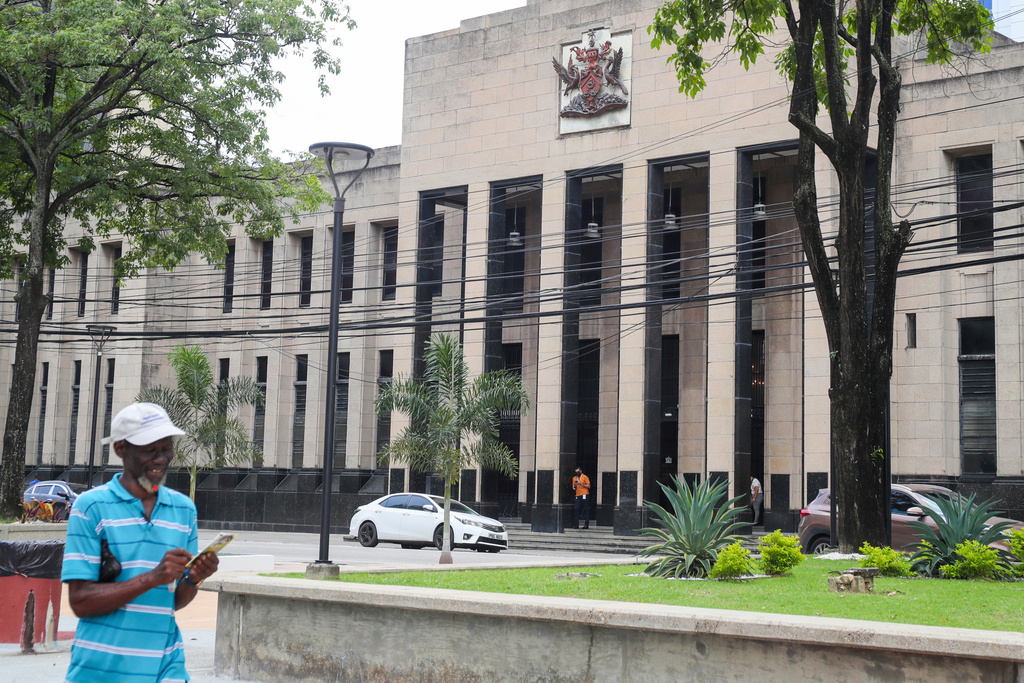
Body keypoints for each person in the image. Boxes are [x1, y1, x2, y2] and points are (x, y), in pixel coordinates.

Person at [61, 402, 220, 683]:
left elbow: (173, 601)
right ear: (121, 448)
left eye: (166, 448)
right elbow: (80, 602)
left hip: (165, 666)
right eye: (150, 450)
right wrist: (152, 577)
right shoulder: (91, 507)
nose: (161, 459)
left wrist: (194, 578)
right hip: (101, 670)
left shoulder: (184, 510)